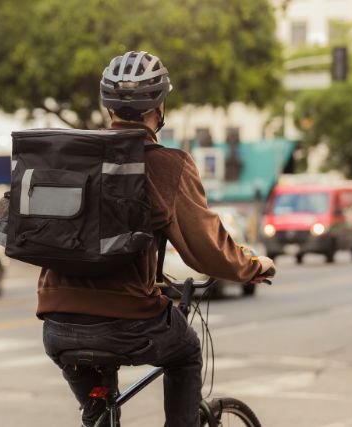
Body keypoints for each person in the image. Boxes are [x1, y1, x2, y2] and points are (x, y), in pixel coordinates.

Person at [39, 51, 276, 427]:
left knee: (97, 404)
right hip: (128, 323)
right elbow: (207, 249)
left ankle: (96, 415)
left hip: (57, 323)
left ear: (107, 107)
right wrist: (252, 267)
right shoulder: (168, 165)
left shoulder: (70, 158)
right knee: (185, 352)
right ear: (159, 108)